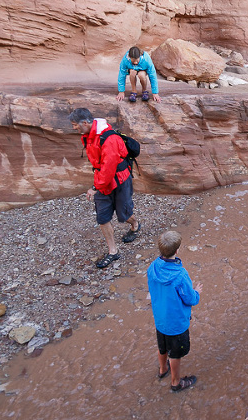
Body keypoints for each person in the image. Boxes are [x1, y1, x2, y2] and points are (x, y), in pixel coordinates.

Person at [69, 108, 142, 268]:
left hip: (119, 181)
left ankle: (135, 224)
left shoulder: (109, 139)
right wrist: (98, 184)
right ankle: (113, 251)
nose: (74, 128)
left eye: (75, 125)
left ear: (85, 123)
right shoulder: (88, 136)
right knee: (103, 217)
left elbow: (109, 167)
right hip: (102, 181)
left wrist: (95, 187)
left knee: (124, 215)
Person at [147, 230, 203, 392]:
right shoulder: (180, 275)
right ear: (177, 250)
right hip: (176, 324)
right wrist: (197, 292)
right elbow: (190, 299)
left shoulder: (153, 267)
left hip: (160, 319)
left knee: (162, 347)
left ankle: (162, 369)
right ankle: (176, 383)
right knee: (175, 354)